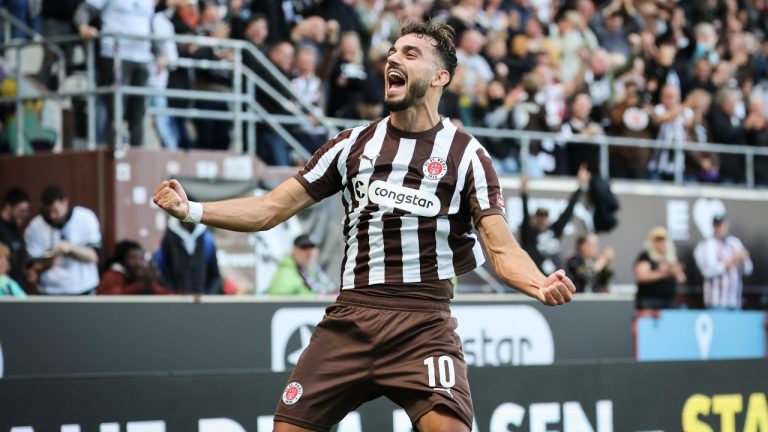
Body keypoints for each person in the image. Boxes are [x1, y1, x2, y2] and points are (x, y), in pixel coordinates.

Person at [153, 20, 576, 432]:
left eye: (410, 53)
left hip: (423, 324)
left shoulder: (467, 156)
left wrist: (538, 283)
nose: (394, 58)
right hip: (350, 319)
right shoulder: (351, 144)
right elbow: (269, 209)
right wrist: (193, 210)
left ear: (439, 77)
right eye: (392, 51)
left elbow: (501, 249)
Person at [74, 0, 154, 147]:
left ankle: (136, 155)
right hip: (115, 54)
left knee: (138, 112)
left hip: (142, 57)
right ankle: (112, 152)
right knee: (116, 108)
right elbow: (84, 10)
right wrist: (83, 26)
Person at [24, 186, 102, 295]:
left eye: (55, 210)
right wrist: (51, 256)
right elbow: (33, 267)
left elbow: (94, 256)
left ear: (65, 202)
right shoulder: (35, 227)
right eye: (48, 211)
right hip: (50, 290)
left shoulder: (85, 217)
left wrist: (70, 248)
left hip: (84, 288)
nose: (52, 216)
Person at [519, 164, 591, 275]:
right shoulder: (529, 235)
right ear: (534, 218)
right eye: (539, 217)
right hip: (539, 280)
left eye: (545, 217)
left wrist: (580, 186)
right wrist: (523, 193)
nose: (542, 220)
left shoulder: (554, 231)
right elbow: (524, 216)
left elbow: (568, 212)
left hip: (558, 278)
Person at [694, 214, 753, 309]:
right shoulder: (707, 244)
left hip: (735, 301)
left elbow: (748, 270)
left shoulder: (735, 242)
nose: (721, 228)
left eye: (723, 224)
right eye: (718, 225)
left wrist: (742, 260)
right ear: (713, 226)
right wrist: (732, 260)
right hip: (716, 302)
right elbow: (707, 271)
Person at [154, 217, 222, 294]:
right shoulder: (168, 239)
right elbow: (161, 272)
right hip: (177, 300)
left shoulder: (206, 238)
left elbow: (214, 275)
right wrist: (172, 293)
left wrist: (208, 296)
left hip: (203, 299)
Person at [634, 226, 686, 309]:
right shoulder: (646, 256)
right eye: (658, 240)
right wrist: (664, 273)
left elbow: (681, 279)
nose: (661, 243)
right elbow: (642, 276)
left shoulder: (670, 257)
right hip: (649, 300)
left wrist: (676, 272)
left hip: (668, 300)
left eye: (663, 240)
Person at [267, 234, 336, 296]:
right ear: (294, 250)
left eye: (312, 247)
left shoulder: (314, 270)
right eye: (304, 247)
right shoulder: (286, 272)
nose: (309, 252)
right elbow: (277, 299)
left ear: (317, 250)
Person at [97, 240, 173, 295]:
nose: (139, 263)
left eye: (141, 258)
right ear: (122, 260)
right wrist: (139, 286)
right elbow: (111, 297)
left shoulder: (141, 276)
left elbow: (161, 292)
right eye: (133, 258)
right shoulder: (112, 276)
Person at [0, 187, 30, 287]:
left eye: (26, 211)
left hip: (17, 286)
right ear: (8, 207)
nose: (25, 215)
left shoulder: (15, 227)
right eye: (21, 211)